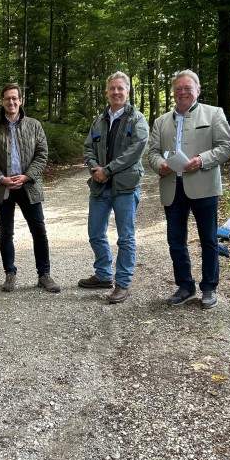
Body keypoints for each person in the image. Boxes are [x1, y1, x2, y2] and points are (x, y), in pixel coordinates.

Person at [148, 70, 230, 310]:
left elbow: (226, 147)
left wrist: (202, 160)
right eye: (178, 89)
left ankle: (209, 287)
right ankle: (185, 285)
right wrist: (160, 165)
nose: (183, 92)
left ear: (197, 90)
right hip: (172, 186)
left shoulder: (213, 113)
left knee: (208, 239)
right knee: (176, 240)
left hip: (203, 185)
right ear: (173, 92)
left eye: (188, 88)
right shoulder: (161, 121)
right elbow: (153, 152)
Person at [0, 83, 60, 293]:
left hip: (28, 185)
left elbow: (42, 153)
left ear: (21, 100)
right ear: (2, 101)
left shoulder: (34, 125)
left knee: (39, 230)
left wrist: (27, 176)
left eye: (15, 98)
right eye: (7, 98)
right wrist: (1, 178)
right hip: (3, 187)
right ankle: (10, 273)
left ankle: (44, 274)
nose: (11, 102)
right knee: (6, 232)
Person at [80, 71, 149, 304]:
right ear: (107, 92)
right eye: (112, 88)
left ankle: (123, 282)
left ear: (128, 91)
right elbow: (88, 148)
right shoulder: (99, 120)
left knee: (125, 237)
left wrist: (107, 170)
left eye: (120, 88)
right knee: (95, 233)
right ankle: (103, 275)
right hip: (99, 186)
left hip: (125, 187)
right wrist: (94, 169)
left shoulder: (137, 119)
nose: (116, 92)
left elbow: (135, 151)